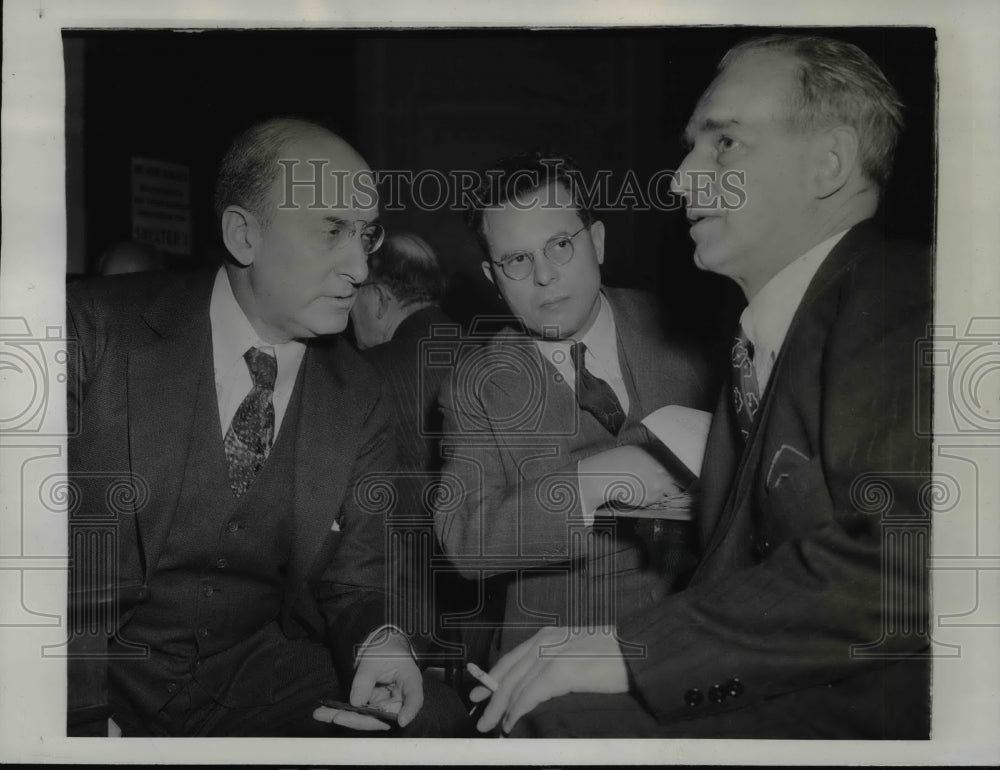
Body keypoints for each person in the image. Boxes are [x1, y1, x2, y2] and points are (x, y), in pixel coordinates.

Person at [470, 35, 932, 739]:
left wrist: (632, 647)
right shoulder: (767, 336)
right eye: (515, 261)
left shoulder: (901, 293)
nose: (682, 178)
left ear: (829, 163)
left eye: (723, 145)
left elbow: (907, 562)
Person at [66, 117, 466, 737]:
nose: (360, 268)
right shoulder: (92, 330)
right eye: (332, 231)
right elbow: (31, 556)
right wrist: (78, 716)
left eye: (366, 235)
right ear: (244, 234)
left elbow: (355, 579)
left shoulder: (359, 393)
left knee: (435, 721)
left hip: (250, 678)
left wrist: (379, 643)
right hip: (93, 671)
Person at [434, 153, 715, 662]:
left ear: (598, 241)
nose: (544, 276)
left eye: (560, 245)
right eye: (517, 260)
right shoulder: (473, 385)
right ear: (492, 277)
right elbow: (464, 538)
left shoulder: (686, 330)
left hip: (694, 636)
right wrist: (593, 479)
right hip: (553, 653)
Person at [349, 232, 487, 667]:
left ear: (377, 297)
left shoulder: (365, 375)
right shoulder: (489, 353)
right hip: (485, 618)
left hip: (404, 619)